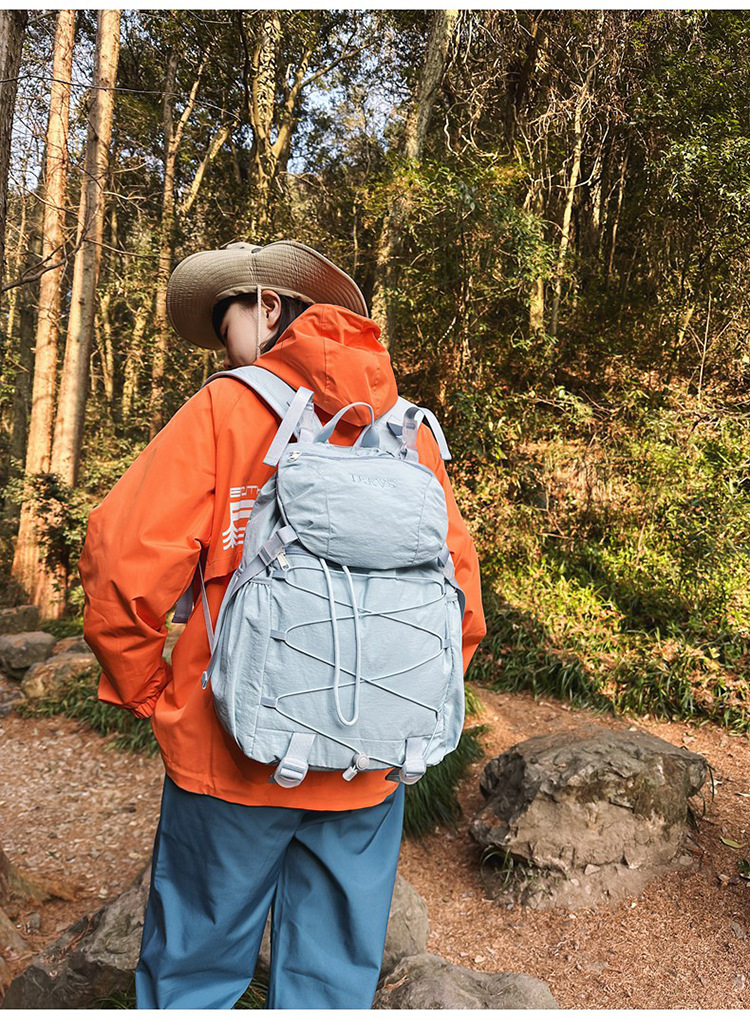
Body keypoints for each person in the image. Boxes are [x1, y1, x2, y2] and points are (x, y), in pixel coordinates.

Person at [77, 239, 487, 1009]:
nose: (219, 345)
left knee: (193, 976)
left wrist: (149, 689)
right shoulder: (411, 430)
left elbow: (120, 560)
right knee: (332, 988)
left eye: (222, 319)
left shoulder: (224, 409)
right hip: (371, 760)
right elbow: (459, 599)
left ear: (267, 306)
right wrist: (395, 703)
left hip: (227, 752)